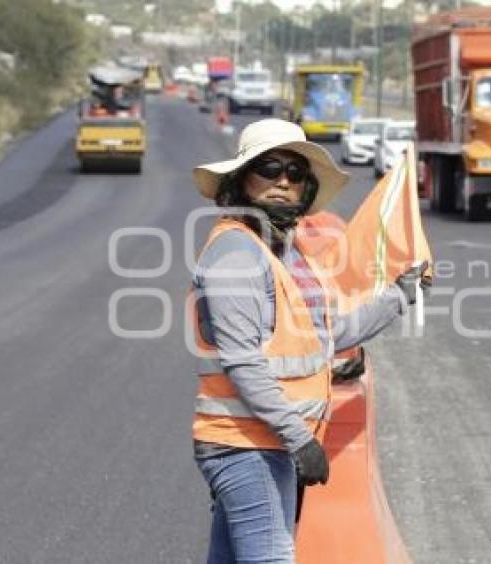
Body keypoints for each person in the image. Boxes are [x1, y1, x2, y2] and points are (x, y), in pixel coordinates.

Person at [190, 119, 427, 563]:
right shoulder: (237, 255)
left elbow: (326, 336)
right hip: (245, 444)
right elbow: (243, 363)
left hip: (264, 441)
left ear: (305, 188)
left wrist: (398, 297)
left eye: (294, 173)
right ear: (241, 180)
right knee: (272, 557)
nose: (282, 181)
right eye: (269, 168)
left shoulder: (283, 254)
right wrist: (299, 439)